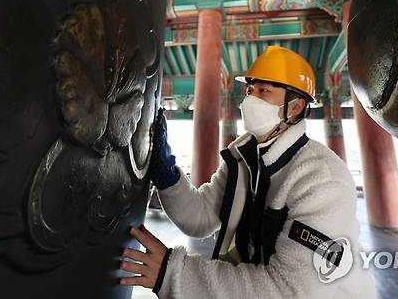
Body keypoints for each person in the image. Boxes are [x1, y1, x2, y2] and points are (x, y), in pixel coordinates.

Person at [120, 45, 376, 298]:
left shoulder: (321, 178)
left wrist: (172, 273)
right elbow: (200, 218)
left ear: (295, 107)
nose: (250, 100)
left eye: (264, 90)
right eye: (250, 90)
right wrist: (167, 176)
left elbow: (292, 290)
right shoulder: (242, 157)